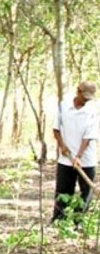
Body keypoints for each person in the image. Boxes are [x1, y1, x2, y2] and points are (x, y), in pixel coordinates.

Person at [52, 81, 99, 224]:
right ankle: (58, 221)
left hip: (86, 159)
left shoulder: (94, 110)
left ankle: (78, 223)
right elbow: (56, 128)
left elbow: (88, 136)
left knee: (86, 193)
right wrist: (62, 145)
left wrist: (79, 156)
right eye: (84, 97)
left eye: (88, 99)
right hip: (66, 158)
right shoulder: (63, 106)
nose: (85, 101)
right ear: (77, 91)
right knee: (63, 191)